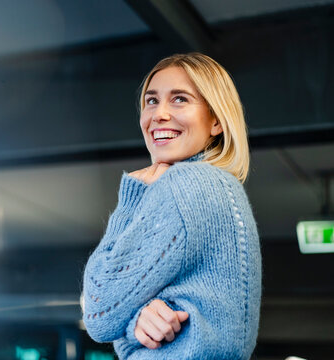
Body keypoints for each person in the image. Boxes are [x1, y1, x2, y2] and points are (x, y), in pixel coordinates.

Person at [82, 53, 261, 359]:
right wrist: (137, 322)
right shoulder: (222, 188)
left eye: (179, 99)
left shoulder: (188, 185)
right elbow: (120, 326)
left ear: (216, 120)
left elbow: (99, 311)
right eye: (151, 101)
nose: (160, 114)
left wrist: (130, 201)